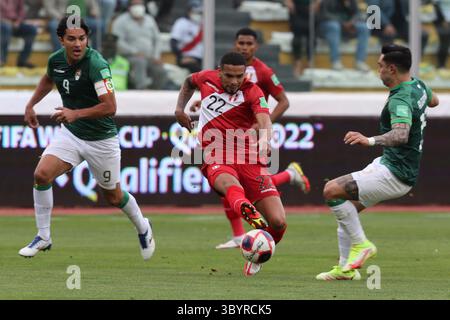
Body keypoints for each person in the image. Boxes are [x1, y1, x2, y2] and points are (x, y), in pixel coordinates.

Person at [19, 16, 155, 260]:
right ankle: (44, 236)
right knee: (41, 174)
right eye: (71, 39)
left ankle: (143, 226)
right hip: (72, 134)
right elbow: (49, 79)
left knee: (113, 196)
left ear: (87, 40)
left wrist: (76, 113)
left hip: (101, 139)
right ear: (61, 40)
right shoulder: (56, 60)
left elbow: (110, 107)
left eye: (82, 38)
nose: (78, 43)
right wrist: (31, 105)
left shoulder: (97, 65)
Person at [317, 44, 439, 280]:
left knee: (331, 190)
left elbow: (401, 134)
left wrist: (369, 140)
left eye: (380, 67)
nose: (378, 71)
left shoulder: (400, 99)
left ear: (392, 69)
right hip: (392, 165)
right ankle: (345, 269)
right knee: (347, 211)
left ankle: (362, 246)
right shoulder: (418, 84)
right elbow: (433, 101)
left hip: (395, 172)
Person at [190, 27, 311, 250]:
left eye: (249, 44)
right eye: (241, 43)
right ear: (236, 44)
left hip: (249, 138)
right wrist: (202, 102)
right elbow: (202, 86)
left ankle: (288, 175)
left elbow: (282, 101)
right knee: (227, 184)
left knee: (241, 189)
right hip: (217, 141)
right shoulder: (221, 69)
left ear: (256, 46)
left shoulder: (263, 73)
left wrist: (262, 126)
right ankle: (239, 235)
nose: (244, 47)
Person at [175, 52, 288, 276]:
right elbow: (188, 81)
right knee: (229, 184)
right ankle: (246, 209)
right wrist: (180, 109)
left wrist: (265, 140)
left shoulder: (253, 91)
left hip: (249, 158)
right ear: (219, 71)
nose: (235, 81)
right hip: (214, 152)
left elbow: (265, 121)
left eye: (240, 75)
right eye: (229, 75)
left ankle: (257, 254)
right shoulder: (205, 78)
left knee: (278, 222)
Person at [112, 0, 170, 90]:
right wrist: (134, 52)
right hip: (128, 56)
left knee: (161, 71)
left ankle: (154, 93)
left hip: (150, 57)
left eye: (140, 4)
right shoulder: (121, 21)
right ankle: (142, 90)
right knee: (140, 62)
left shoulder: (150, 20)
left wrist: (156, 56)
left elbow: (157, 39)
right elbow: (118, 42)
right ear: (129, 7)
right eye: (135, 5)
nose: (138, 7)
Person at [318, 0, 370, 71]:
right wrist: (342, 22)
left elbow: (357, 14)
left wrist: (352, 22)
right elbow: (324, 14)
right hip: (328, 26)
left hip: (345, 26)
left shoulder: (351, 2)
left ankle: (360, 61)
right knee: (334, 26)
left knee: (364, 27)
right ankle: (335, 61)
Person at [285, 0, 320, 76]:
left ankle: (310, 62)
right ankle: (297, 63)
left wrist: (317, 3)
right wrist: (288, 2)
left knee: (312, 39)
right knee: (297, 40)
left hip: (310, 12)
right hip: (297, 10)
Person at [0, 0, 37, 68]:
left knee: (32, 29)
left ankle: (22, 60)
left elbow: (21, 12)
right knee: (6, 27)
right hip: (2, 24)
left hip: (15, 24)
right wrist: (4, 21)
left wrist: (18, 21)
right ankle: (2, 60)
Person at [170, 2, 203, 73]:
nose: (197, 14)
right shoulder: (181, 22)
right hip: (185, 57)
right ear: (188, 11)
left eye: (199, 12)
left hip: (201, 58)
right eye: (195, 12)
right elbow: (173, 42)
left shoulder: (203, 24)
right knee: (198, 72)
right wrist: (181, 56)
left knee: (216, 68)